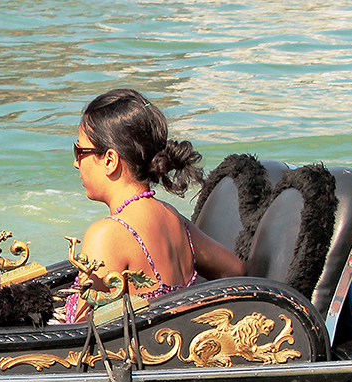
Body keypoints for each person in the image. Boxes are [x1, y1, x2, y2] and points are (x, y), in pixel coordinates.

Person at [63, 89, 245, 322]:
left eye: (80, 151)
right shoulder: (174, 219)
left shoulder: (108, 235)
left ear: (110, 160)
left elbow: (77, 333)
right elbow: (235, 270)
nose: (76, 163)